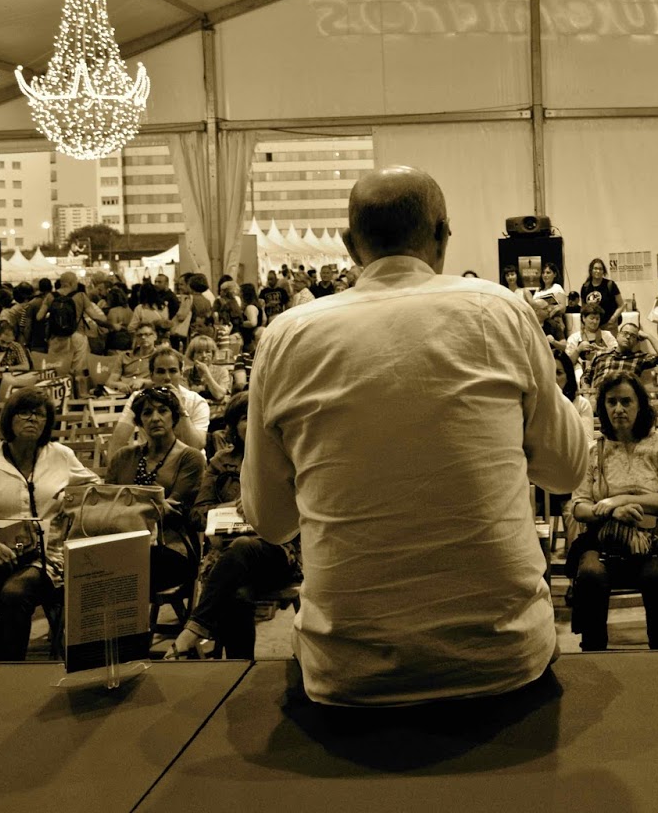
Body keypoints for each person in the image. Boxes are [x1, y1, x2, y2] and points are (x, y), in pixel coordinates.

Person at [241, 165, 589, 705]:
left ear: (349, 245)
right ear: (443, 236)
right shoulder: (499, 312)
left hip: (346, 666)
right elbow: (565, 471)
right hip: (503, 656)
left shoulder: (287, 336)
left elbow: (271, 521)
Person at [0, 389, 99, 661]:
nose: (32, 419)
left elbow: (94, 489)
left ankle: (12, 672)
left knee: (15, 593)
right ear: (9, 419)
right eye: (24, 413)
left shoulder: (61, 455)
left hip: (45, 555)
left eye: (39, 414)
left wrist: (70, 500)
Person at [166, 394, 301, 661]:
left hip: (277, 555)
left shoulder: (286, 459)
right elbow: (197, 515)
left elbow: (302, 508)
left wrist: (261, 504)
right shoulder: (220, 462)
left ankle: (194, 629)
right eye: (244, 418)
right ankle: (241, 665)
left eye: (257, 417)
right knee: (238, 593)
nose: (252, 423)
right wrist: (229, 507)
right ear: (233, 426)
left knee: (243, 547)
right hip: (228, 559)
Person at [566, 371, 658, 652]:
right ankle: (593, 652)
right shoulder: (593, 451)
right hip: (603, 538)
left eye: (626, 401)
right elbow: (579, 506)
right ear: (603, 407)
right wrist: (611, 513)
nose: (619, 409)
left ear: (640, 404)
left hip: (650, 537)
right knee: (590, 574)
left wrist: (619, 500)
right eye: (612, 402)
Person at [107, 386, 206, 596]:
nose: (155, 418)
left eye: (162, 411)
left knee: (118, 570)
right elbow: (107, 506)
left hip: (172, 547)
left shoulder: (191, 458)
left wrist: (128, 503)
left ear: (174, 417)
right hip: (123, 543)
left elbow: (172, 510)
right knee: (85, 563)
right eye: (147, 413)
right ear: (139, 421)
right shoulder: (122, 457)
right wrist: (151, 504)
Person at [104, 349, 211, 464]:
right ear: (151, 375)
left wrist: (181, 409)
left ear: (181, 373)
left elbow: (196, 446)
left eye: (173, 371)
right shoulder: (139, 398)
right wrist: (114, 471)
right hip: (150, 465)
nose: (167, 377)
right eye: (160, 372)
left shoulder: (196, 402)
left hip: (188, 466)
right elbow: (118, 441)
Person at [588, 319, 658, 389]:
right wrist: (587, 395)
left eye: (633, 336)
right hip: (599, 394)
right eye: (625, 333)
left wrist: (648, 336)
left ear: (636, 342)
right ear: (617, 336)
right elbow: (586, 377)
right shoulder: (601, 354)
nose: (628, 337)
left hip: (625, 395)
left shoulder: (640, 357)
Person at [565, 306, 615, 379]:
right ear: (583, 318)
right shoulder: (574, 338)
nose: (595, 322)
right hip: (581, 372)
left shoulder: (607, 335)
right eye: (592, 318)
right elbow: (567, 363)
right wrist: (578, 350)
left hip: (603, 370)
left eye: (597, 319)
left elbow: (617, 354)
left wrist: (602, 350)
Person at [181, 335, 230, 402]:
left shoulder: (222, 371)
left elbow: (219, 395)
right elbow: (185, 398)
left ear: (213, 354)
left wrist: (207, 373)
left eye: (208, 352)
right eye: (199, 352)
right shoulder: (186, 373)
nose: (204, 355)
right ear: (192, 355)